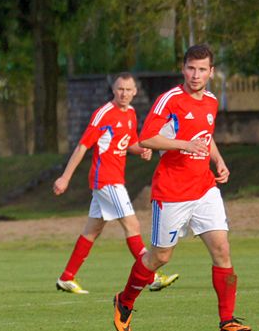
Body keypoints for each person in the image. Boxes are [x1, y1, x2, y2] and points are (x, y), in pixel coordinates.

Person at [112, 44, 252, 331]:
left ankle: (227, 321)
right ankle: (125, 300)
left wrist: (218, 160)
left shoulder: (211, 101)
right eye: (191, 68)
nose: (196, 75)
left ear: (211, 72)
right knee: (160, 257)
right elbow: (146, 138)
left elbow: (205, 137)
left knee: (222, 249)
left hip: (204, 188)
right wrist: (183, 144)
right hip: (172, 192)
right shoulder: (170, 100)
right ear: (183, 69)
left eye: (202, 69)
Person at [52, 73, 178, 294]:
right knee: (133, 226)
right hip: (106, 179)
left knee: (92, 230)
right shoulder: (103, 114)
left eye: (128, 90)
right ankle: (152, 277)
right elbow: (82, 146)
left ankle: (66, 277)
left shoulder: (131, 113)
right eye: (120, 89)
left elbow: (129, 143)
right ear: (113, 89)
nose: (124, 93)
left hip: (114, 179)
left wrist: (143, 149)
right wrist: (65, 177)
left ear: (135, 92)